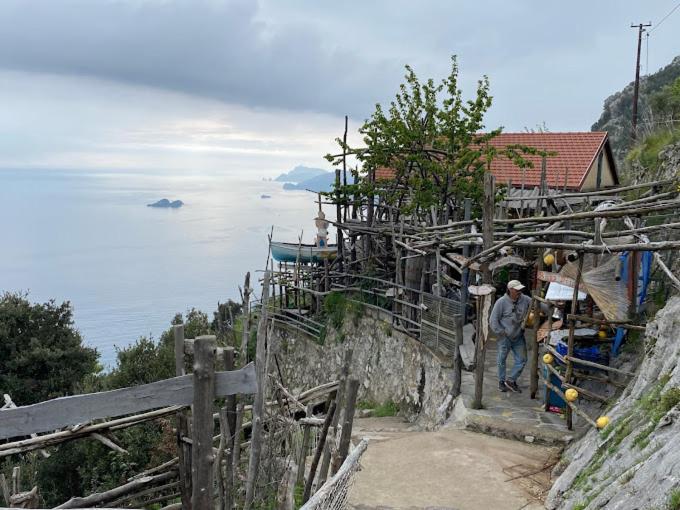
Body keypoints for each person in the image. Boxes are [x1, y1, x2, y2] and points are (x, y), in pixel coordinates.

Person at [489, 280, 532, 393]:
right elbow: (493, 320)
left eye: (520, 289)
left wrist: (550, 307)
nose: (519, 291)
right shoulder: (501, 302)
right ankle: (501, 381)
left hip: (518, 335)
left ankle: (511, 380)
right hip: (504, 336)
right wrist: (501, 332)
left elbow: (537, 304)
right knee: (501, 359)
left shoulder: (525, 299)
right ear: (510, 290)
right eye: (517, 290)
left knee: (522, 359)